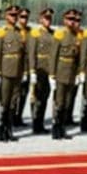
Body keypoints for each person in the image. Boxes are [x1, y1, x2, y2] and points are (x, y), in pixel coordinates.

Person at [0, 5, 25, 142]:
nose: (14, 17)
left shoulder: (20, 32)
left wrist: (23, 72)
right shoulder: (1, 32)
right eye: (11, 15)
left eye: (16, 15)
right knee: (4, 103)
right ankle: (1, 129)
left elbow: (23, 55)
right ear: (6, 16)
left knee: (13, 103)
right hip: (5, 72)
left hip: (17, 72)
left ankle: (9, 129)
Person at [49, 8, 81, 139]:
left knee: (67, 102)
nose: (72, 22)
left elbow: (77, 57)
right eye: (69, 19)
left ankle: (62, 127)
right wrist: (52, 75)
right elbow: (53, 55)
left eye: (74, 19)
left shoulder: (76, 36)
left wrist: (78, 73)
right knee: (59, 102)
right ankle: (55, 128)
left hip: (71, 73)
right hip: (61, 71)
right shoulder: (59, 34)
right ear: (64, 20)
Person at [28, 7, 55, 136]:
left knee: (45, 97)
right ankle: (35, 123)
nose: (48, 21)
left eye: (49, 18)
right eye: (46, 18)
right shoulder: (36, 33)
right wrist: (32, 71)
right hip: (39, 69)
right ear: (40, 19)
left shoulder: (53, 34)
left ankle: (41, 123)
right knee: (37, 97)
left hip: (49, 71)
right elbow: (32, 53)